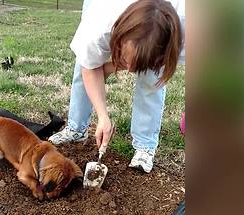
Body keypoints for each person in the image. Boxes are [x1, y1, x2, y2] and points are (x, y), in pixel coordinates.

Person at [48, 0, 185, 173]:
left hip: (164, 28)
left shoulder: (185, 29)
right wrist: (103, 116)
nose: (131, 71)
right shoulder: (97, 26)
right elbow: (90, 67)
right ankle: (76, 128)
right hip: (107, 13)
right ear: (118, 38)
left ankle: (145, 145)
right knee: (85, 60)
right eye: (126, 61)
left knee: (152, 77)